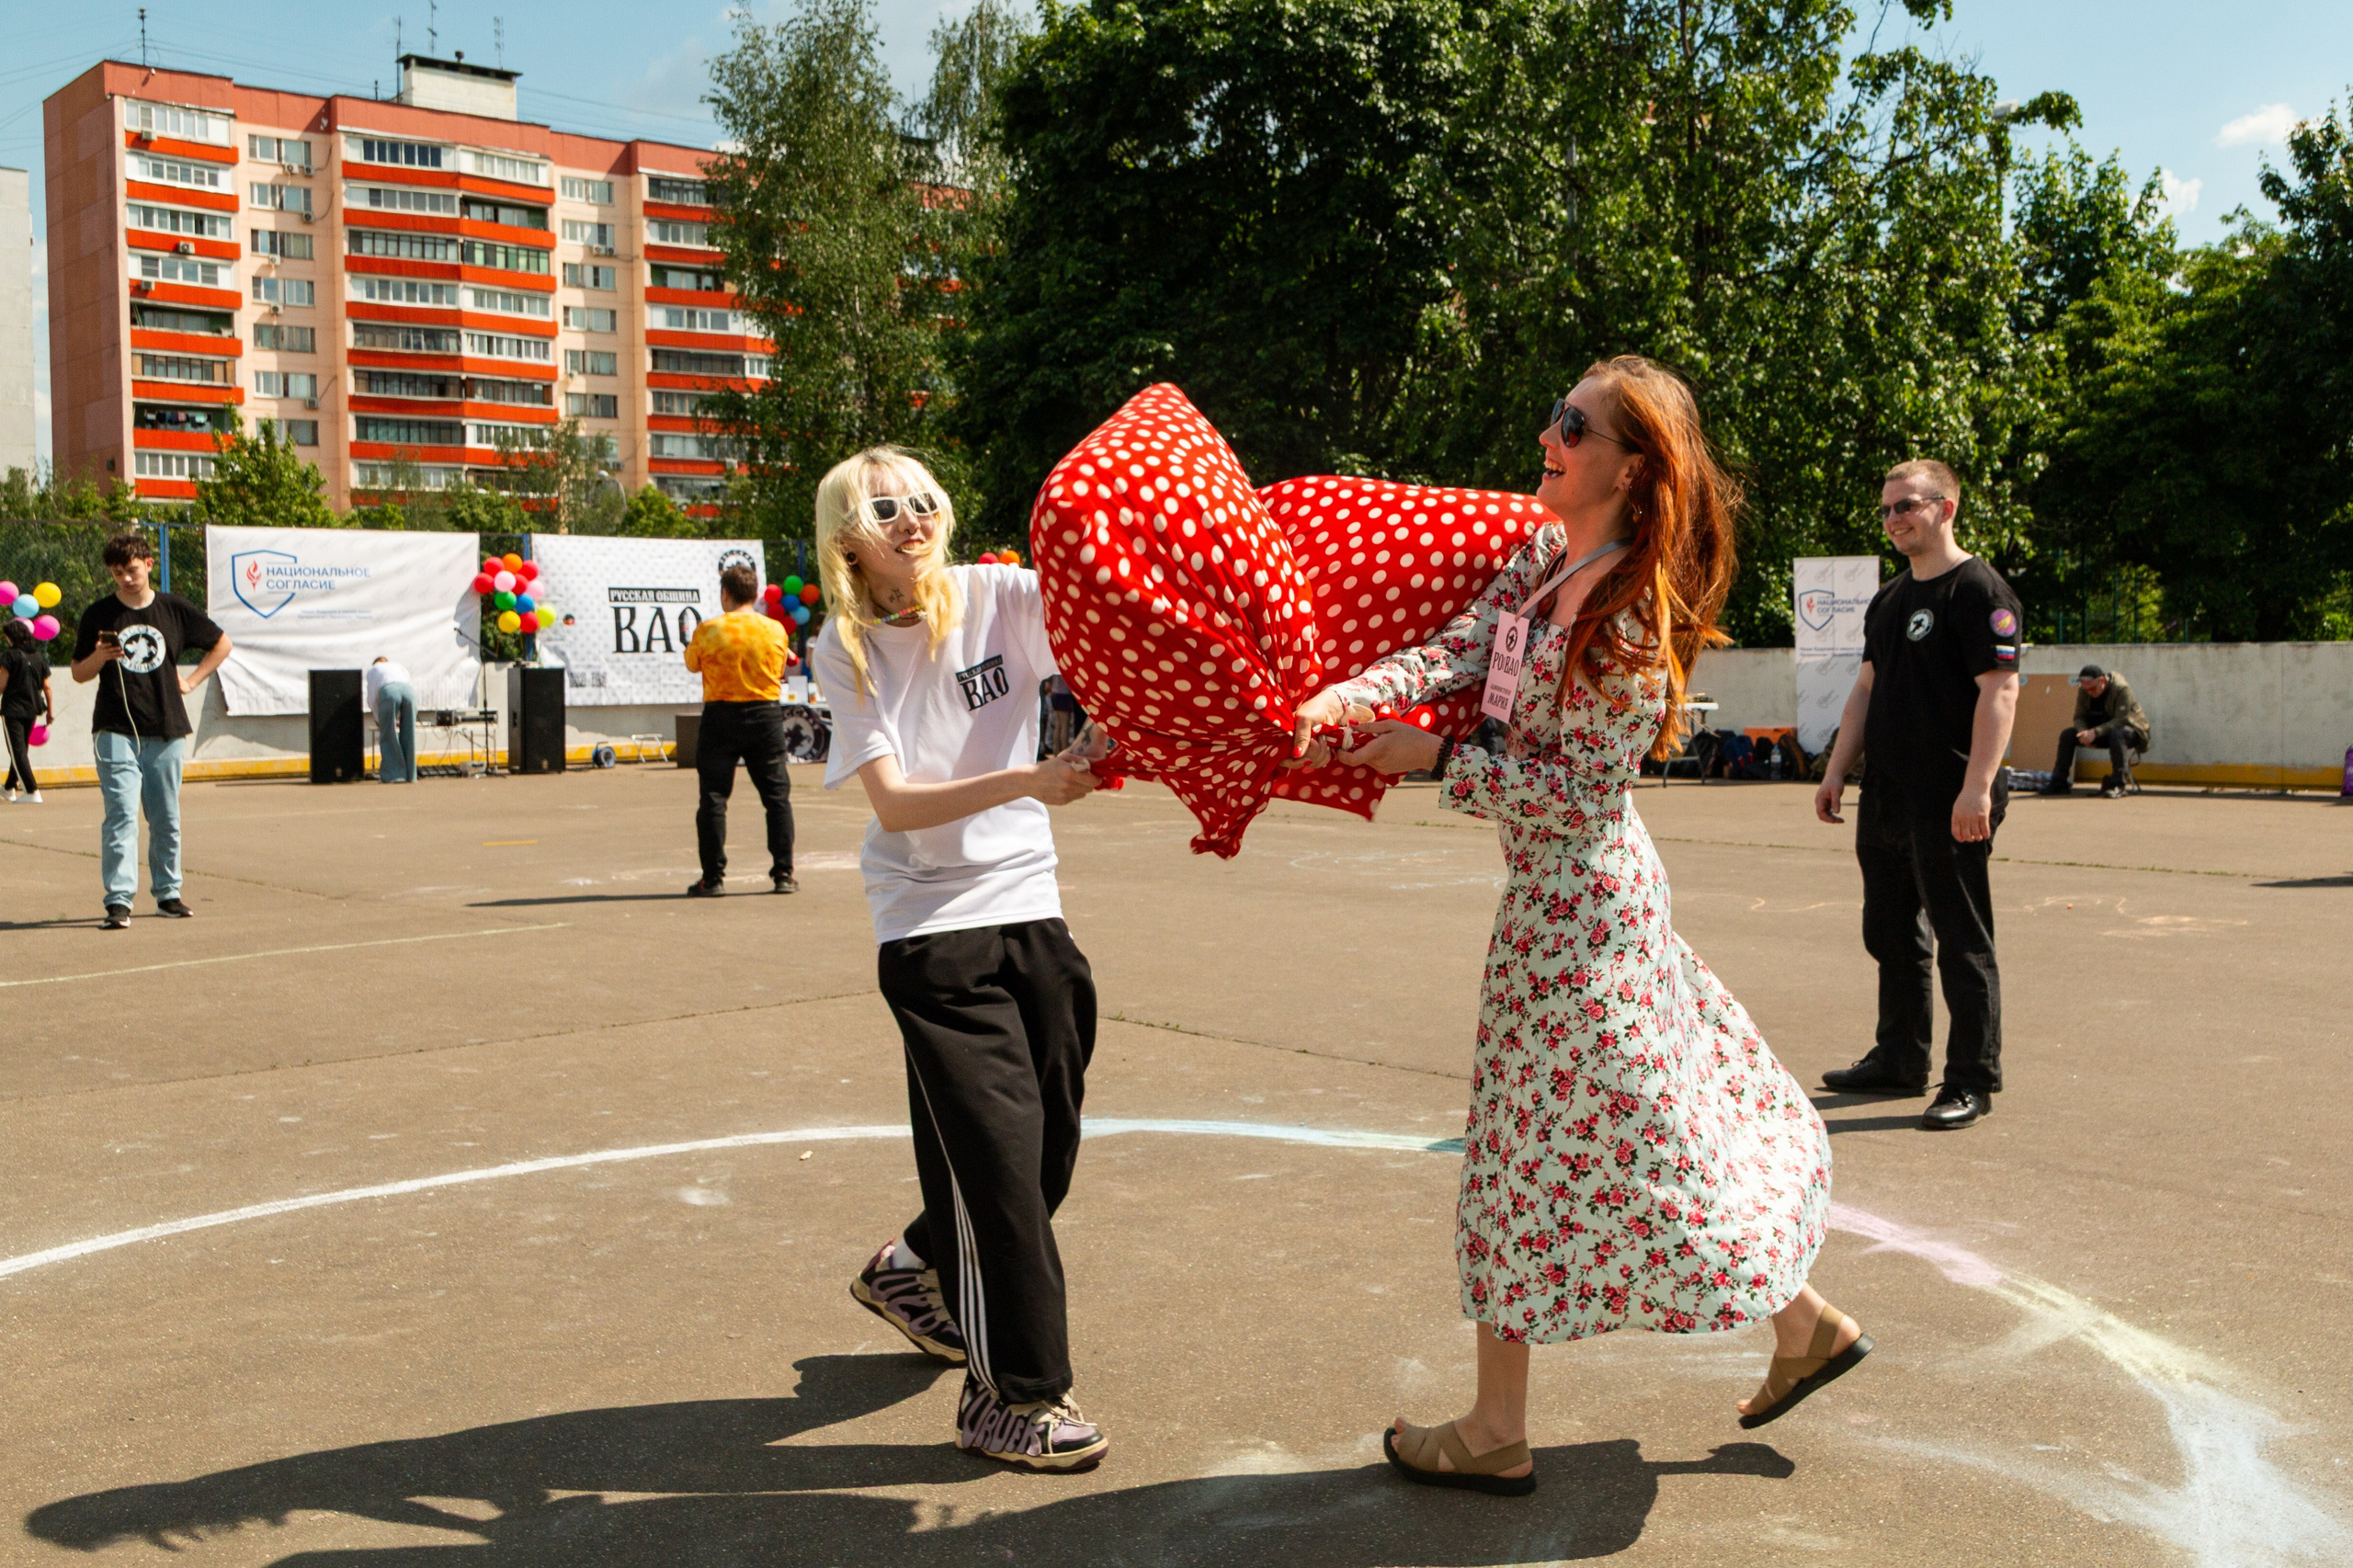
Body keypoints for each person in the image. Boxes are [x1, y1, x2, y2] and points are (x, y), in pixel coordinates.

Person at [1290, 358, 1858, 1496]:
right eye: (1553, 413)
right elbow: (1457, 647)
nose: (1546, 435)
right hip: (1560, 902)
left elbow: (1578, 793)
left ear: (1631, 465)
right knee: (1637, 1137)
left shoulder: (1629, 622)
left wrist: (1438, 757)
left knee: (1526, 1151)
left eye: (1571, 424)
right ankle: (1804, 1324)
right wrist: (1360, 694)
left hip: (1579, 909)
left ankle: (1498, 1426)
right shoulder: (1544, 557)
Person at [809, 446, 1110, 1472]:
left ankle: (914, 1267)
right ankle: (1014, 1398)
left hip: (1033, 910)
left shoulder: (1000, 595)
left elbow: (1110, 631)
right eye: (882, 508)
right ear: (848, 535)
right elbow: (893, 803)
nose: (910, 518)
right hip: (929, 933)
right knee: (997, 1174)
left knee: (1044, 1154)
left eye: (922, 500)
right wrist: (1031, 777)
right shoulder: (842, 650)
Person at [1813, 460, 2021, 1131]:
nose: (1894, 519)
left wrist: (1977, 791)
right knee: (1891, 933)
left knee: (1962, 939)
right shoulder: (1890, 599)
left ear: (1947, 507)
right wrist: (1838, 770)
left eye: (1906, 506)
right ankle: (1901, 1058)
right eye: (1886, 511)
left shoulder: (1978, 589)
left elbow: (2000, 691)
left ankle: (1971, 1078)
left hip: (1950, 795)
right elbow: (1867, 690)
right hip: (1889, 795)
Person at [70, 530, 233, 929]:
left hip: (165, 726)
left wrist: (192, 682)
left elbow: (222, 644)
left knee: (165, 817)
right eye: (116, 572)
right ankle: (119, 901)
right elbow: (77, 673)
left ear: (148, 563)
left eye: (131, 570)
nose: (125, 578)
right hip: (115, 728)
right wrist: (100, 656)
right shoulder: (99, 614)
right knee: (121, 815)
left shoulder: (174, 609)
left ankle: (168, 894)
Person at [681, 562, 797, 896]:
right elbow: (783, 664)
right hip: (765, 716)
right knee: (777, 798)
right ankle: (784, 874)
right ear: (756, 594)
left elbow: (692, 664)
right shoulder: (775, 629)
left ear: (725, 593)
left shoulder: (708, 630)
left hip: (721, 716)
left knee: (713, 799)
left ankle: (713, 878)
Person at [2040, 663, 2148, 798]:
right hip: (2101, 732)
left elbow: (2121, 719)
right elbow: (2079, 717)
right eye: (2086, 690)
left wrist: (2095, 733)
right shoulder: (2084, 690)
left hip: (2130, 732)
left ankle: (2118, 785)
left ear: (2101, 681)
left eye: (2092, 689)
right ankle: (2059, 782)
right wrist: (2084, 733)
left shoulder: (2121, 688)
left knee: (2117, 734)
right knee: (2068, 735)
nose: (2089, 693)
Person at [1, 618, 55, 801]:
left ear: (12, 637)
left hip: (13, 709)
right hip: (32, 708)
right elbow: (47, 687)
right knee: (21, 749)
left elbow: (1, 685)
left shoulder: (10, 656)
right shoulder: (39, 657)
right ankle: (9, 787)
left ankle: (32, 791)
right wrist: (50, 712)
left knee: (17, 751)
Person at [365, 656, 419, 784]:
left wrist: (378, 719)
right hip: (409, 692)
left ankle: (394, 775)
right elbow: (407, 687)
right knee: (409, 734)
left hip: (389, 691)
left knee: (389, 735)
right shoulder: (398, 666)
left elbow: (373, 698)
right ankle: (411, 775)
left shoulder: (373, 669)